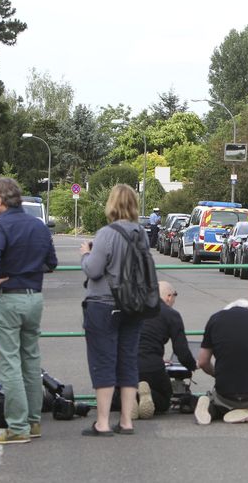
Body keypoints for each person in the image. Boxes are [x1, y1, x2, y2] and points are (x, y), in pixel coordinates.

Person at [0, 177, 58, 445]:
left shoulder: (2, 223)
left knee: (9, 363)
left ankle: (17, 426)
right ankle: (33, 421)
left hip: (9, 297)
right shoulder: (37, 225)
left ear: (0, 200)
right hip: (34, 297)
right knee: (31, 359)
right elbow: (52, 262)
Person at [79, 184, 145, 436]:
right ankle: (127, 421)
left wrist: (86, 254)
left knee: (103, 361)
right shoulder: (141, 233)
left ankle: (103, 423)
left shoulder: (106, 233)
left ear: (111, 204)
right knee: (128, 361)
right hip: (134, 306)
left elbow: (94, 270)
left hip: (104, 305)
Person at [194, 299, 248, 425]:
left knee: (216, 398)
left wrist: (215, 374)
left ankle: (211, 408)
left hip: (225, 395)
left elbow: (202, 362)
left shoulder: (214, 320)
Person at [138, 280, 197, 416]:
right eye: (175, 295)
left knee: (119, 394)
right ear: (169, 296)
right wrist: (193, 365)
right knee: (164, 401)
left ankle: (131, 396)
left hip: (125, 365)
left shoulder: (135, 309)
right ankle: (147, 395)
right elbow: (181, 351)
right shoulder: (171, 314)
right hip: (151, 365)